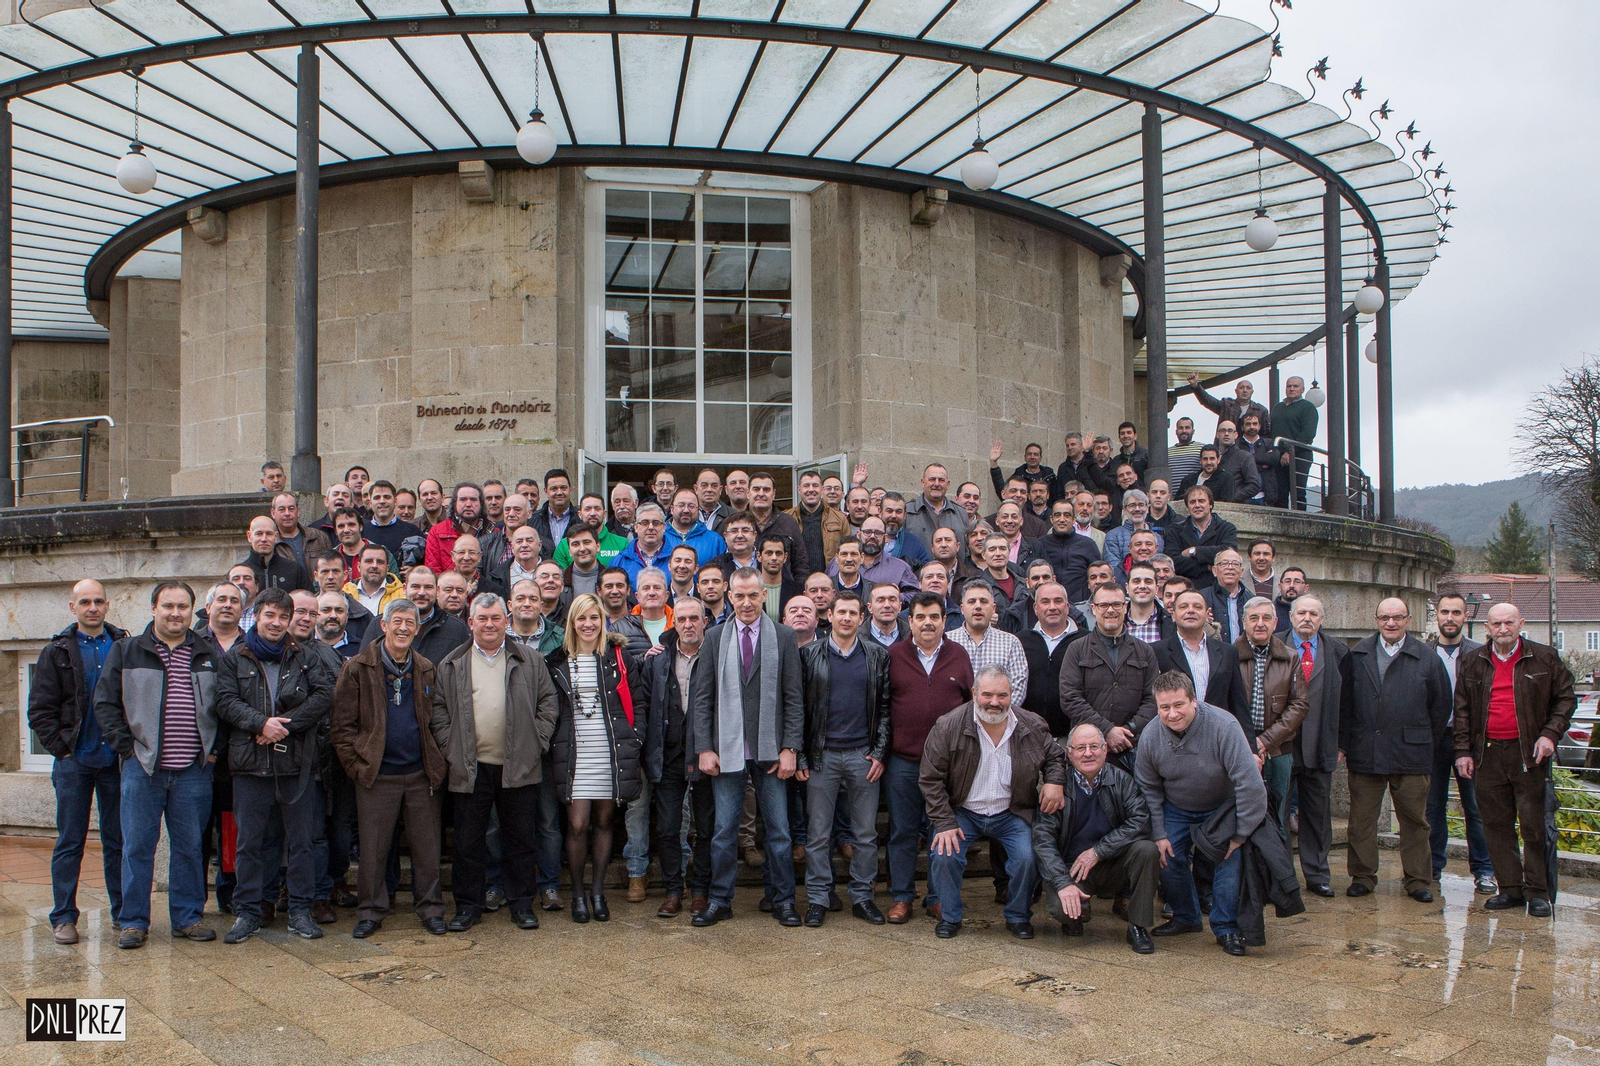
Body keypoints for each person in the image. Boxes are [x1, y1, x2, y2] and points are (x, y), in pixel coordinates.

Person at [93, 581, 221, 950]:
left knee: (189, 847)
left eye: (183, 606)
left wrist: (212, 752)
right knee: (137, 847)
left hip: (193, 771)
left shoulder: (207, 652)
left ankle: (187, 917)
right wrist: (128, 749)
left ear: (193, 611)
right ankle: (133, 922)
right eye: (168, 606)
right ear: (154, 608)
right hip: (143, 769)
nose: (176, 613)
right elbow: (105, 704)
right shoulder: (127, 650)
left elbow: (224, 705)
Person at [432, 593, 560, 932]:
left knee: (521, 840)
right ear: (470, 622)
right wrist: (451, 748)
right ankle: (468, 906)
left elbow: (548, 704)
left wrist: (536, 742)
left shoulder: (530, 660)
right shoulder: (452, 663)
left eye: (495, 618)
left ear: (507, 621)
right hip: (470, 767)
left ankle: (521, 905)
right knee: (468, 842)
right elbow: (440, 711)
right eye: (482, 619)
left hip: (519, 764)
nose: (489, 624)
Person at [216, 588, 335, 944]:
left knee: (301, 844)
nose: (277, 623)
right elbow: (225, 701)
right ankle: (249, 912)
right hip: (250, 765)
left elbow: (323, 697)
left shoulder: (303, 656)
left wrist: (283, 724)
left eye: (283, 617)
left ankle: (299, 911)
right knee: (249, 843)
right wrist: (259, 723)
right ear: (257, 616)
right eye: (271, 615)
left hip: (295, 763)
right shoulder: (235, 658)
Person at [688, 568, 805, 927]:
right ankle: (721, 899)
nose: (746, 602)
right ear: (729, 595)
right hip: (727, 752)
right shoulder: (714, 637)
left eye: (753, 595)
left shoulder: (783, 637)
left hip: (771, 753)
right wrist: (704, 747)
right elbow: (702, 698)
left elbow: (794, 698)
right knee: (724, 832)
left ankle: (782, 898)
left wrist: (791, 747)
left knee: (779, 831)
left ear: (764, 595)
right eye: (739, 596)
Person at [330, 598, 449, 937]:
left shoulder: (426, 667)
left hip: (420, 774)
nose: (402, 628)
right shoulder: (358, 667)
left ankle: (430, 908)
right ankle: (370, 911)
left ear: (417, 628)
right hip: (376, 776)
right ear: (383, 625)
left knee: (428, 850)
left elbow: (437, 719)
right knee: (373, 850)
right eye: (396, 621)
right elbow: (341, 728)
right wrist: (357, 766)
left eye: (409, 623)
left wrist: (437, 761)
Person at [919, 665, 1067, 939]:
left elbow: (1055, 757)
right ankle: (950, 917)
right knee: (944, 854)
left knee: (1028, 857)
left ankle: (1018, 916)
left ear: (1012, 694)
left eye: (1002, 695)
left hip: (1012, 812)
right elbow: (930, 778)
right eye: (987, 694)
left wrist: (1054, 781)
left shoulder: (1032, 724)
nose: (995, 702)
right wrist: (944, 822)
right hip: (964, 811)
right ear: (974, 693)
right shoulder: (948, 725)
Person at [1454, 602, 1575, 918]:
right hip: (1487, 754)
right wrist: (1463, 752)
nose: (1503, 629)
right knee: (1495, 824)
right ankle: (1509, 889)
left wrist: (1550, 734)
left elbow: (1565, 698)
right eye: (1497, 624)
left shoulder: (1545, 657)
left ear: (1521, 623)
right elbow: (1462, 711)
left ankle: (1537, 891)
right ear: (1487, 628)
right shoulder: (1472, 662)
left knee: (1533, 824)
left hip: (1529, 754)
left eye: (1509, 622)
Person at [1137, 671, 1267, 956]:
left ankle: (1227, 927)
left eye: (1179, 705)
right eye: (1164, 707)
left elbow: (1250, 785)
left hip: (1222, 807)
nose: (1172, 714)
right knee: (1167, 858)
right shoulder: (1149, 736)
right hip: (1176, 807)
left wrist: (1240, 833)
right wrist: (1158, 833)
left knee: (1230, 863)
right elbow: (1148, 789)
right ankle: (1186, 917)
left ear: (1194, 700)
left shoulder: (1224, 726)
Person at [30, 579, 128, 945]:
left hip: (115, 761)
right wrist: (62, 750)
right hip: (75, 761)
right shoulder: (56, 652)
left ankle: (124, 914)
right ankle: (64, 918)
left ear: (107, 605)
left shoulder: (123, 645)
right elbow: (40, 710)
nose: (92, 607)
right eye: (84, 601)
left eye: (98, 601)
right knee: (71, 841)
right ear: (73, 607)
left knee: (118, 841)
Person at [1341, 598, 1452, 903]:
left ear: (1408, 619)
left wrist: (1423, 739)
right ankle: (1362, 876)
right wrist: (1347, 744)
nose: (1391, 623)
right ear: (1376, 619)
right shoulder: (1358, 655)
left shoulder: (1427, 659)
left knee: (1415, 822)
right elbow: (1345, 704)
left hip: (1411, 754)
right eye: (1385, 617)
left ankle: (1417, 879)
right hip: (1366, 751)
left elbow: (1440, 706)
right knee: (1361, 821)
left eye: (1397, 617)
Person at [545, 593, 646, 923]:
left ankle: (598, 893)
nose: (588, 624)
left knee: (604, 821)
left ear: (603, 621)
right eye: (582, 618)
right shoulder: (556, 661)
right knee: (578, 824)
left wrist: (636, 738)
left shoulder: (618, 657)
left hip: (611, 749)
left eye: (594, 618)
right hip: (575, 751)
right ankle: (577, 894)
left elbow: (639, 703)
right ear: (572, 623)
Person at [796, 591, 892, 926]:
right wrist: (802, 755)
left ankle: (863, 897)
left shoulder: (877, 655)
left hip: (862, 756)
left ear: (861, 617)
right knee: (819, 833)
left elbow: (884, 710)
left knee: (865, 834)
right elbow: (800, 710)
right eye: (841, 612)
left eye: (853, 613)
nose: (847, 618)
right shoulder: (809, 655)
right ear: (830, 616)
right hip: (822, 756)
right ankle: (819, 898)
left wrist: (879, 752)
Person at [884, 592, 974, 924]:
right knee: (903, 831)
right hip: (903, 761)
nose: (927, 623)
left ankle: (938, 897)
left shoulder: (959, 655)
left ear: (943, 620)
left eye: (934, 617)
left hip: (946, 765)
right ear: (910, 621)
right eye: (921, 617)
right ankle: (902, 897)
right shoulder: (894, 656)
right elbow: (882, 708)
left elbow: (970, 708)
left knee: (944, 831)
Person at [1033, 722, 1160, 951]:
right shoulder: (1056, 787)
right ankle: (1076, 914)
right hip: (1071, 868)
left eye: (1094, 746)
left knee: (1147, 849)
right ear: (1069, 753)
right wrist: (1063, 883)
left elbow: (1141, 820)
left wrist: (1098, 851)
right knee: (1064, 911)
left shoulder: (1122, 780)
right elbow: (1043, 841)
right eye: (1080, 748)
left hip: (1111, 863)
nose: (1088, 753)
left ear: (1105, 749)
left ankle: (1138, 927)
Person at [639, 596, 717, 917]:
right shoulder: (657, 661)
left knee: (707, 828)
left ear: (705, 622)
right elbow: (644, 706)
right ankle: (673, 890)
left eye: (693, 619)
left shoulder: (715, 657)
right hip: (667, 755)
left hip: (704, 754)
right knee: (668, 828)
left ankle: (700, 890)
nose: (687, 625)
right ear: (674, 623)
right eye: (681, 619)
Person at [1427, 593, 1497, 894]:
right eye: (1445, 611)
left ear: (1465, 617)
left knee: (1476, 807)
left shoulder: (1480, 654)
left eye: (1457, 612)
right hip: (1432, 739)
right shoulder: (1423, 652)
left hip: (1470, 739)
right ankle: (1431, 867)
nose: (1450, 617)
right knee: (1432, 807)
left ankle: (1484, 870)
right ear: (1437, 615)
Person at [1283, 595, 1347, 896]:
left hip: (1322, 745)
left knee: (1318, 815)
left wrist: (1342, 744)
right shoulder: (1274, 646)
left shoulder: (1339, 652)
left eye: (1313, 613)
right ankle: (1281, 876)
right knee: (1278, 813)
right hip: (1281, 746)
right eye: (1301, 613)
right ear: (1291, 616)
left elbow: (1351, 705)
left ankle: (1318, 874)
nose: (1307, 618)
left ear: (1322, 619)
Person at [1059, 583, 1159, 771]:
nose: (1110, 610)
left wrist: (1128, 730)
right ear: (1094, 609)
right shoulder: (1077, 649)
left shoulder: (1144, 651)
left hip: (1133, 748)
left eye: (1116, 604)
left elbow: (1153, 700)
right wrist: (1106, 730)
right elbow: (1070, 698)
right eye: (1104, 605)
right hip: (1088, 751)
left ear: (1125, 607)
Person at [1235, 596, 1309, 831]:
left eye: (1266, 618)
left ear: (1276, 623)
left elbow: (1299, 704)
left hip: (1278, 747)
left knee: (1278, 813)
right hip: (1238, 745)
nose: (1260, 623)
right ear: (1243, 621)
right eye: (1254, 618)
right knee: (1238, 811)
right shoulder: (1228, 654)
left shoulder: (1290, 656)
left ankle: (1276, 866)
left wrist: (1265, 741)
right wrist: (1248, 742)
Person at [1155, 587, 1250, 735]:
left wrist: (1251, 750)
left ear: (1207, 614)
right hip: (1173, 737)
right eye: (1183, 607)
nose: (1191, 610)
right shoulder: (1157, 652)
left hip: (1219, 736)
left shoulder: (1228, 652)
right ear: (1173, 614)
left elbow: (1239, 703)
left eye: (1197, 607)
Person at [1018, 581, 1086, 737]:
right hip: (1029, 734)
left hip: (1072, 736)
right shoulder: (1020, 641)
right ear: (1035, 608)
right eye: (1045, 601)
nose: (1052, 607)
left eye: (1058, 601)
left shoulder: (1086, 641)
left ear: (1067, 607)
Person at [948, 581, 1028, 709]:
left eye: (984, 601)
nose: (978, 606)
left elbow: (1017, 689)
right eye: (972, 601)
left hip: (997, 717)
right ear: (962, 609)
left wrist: (992, 712)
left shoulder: (1010, 643)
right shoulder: (947, 641)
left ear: (993, 608)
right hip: (956, 721)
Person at [1168, 486, 1239, 591]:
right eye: (1192, 502)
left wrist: (1195, 551)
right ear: (1187, 506)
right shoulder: (1175, 530)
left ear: (1210, 504)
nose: (1197, 505)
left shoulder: (1226, 528)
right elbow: (1173, 562)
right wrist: (1206, 567)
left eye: (1201, 501)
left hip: (1217, 591)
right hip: (1186, 591)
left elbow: (1228, 553)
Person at [1035, 498, 1102, 604]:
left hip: (1081, 604)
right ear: (1051, 519)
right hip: (1049, 603)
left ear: (1074, 519)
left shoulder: (1088, 545)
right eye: (1057, 515)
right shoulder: (1039, 544)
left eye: (1067, 515)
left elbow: (1098, 574)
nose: (1062, 519)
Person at [839, 517, 919, 604]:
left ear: (885, 537)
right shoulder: (837, 564)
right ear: (858, 534)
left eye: (878, 533)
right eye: (867, 532)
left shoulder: (900, 568)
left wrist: (894, 596)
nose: (872, 536)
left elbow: (916, 597)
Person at [747, 472, 810, 578]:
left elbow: (801, 565)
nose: (761, 494)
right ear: (748, 493)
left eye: (766, 490)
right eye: (756, 489)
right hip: (746, 591)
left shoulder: (789, 523)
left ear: (774, 494)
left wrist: (798, 591)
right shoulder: (736, 524)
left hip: (784, 591)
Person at [1271, 376, 1318, 510]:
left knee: (1298, 492)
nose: (1292, 388)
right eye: (1289, 386)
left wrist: (1290, 451)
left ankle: (1299, 523)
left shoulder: (1307, 408)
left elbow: (1308, 434)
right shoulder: (1277, 408)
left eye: (1296, 386)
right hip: (1278, 457)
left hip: (1300, 455)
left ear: (1302, 389)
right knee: (1279, 494)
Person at [786, 470, 849, 570]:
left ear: (822, 489)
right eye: (806, 486)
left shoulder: (840, 519)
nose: (811, 490)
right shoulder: (786, 518)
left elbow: (848, 550)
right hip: (796, 580)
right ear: (799, 489)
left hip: (828, 579)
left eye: (815, 485)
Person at [903, 463, 969, 551]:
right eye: (932, 479)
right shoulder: (907, 511)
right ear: (923, 483)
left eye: (941, 480)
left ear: (948, 484)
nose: (937, 484)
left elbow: (967, 551)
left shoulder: (961, 513)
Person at [1188, 373, 1271, 442]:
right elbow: (1208, 401)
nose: (1244, 390)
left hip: (1250, 452)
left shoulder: (1261, 410)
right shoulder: (1226, 405)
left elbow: (1266, 435)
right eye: (1241, 388)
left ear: (1252, 392)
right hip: (1226, 449)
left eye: (1248, 388)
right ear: (1236, 391)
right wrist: (1196, 386)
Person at [554, 494, 629, 568]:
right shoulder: (565, 545)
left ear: (604, 514)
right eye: (587, 509)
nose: (593, 513)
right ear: (580, 514)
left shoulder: (622, 544)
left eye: (597, 509)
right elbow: (560, 576)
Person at [242, 514, 312, 593]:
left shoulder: (294, 570)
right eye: (259, 534)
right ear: (249, 536)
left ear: (276, 537)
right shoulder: (240, 574)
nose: (264, 539)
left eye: (269, 534)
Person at [270, 492, 333, 569]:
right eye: (281, 509)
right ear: (273, 513)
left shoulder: (319, 537)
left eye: (291, 509)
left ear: (298, 511)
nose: (287, 513)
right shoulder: (270, 542)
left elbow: (333, 565)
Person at [665, 487, 727, 564]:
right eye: (681, 505)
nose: (686, 510)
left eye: (691, 506)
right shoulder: (660, 537)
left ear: (698, 510)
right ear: (672, 509)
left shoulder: (715, 540)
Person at [616, 502, 672, 587]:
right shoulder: (620, 562)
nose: (650, 527)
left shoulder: (676, 560)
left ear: (664, 527)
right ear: (636, 527)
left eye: (656, 523)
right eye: (645, 523)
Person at [363, 480, 423, 560]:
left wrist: (413, 569)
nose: (382, 501)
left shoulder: (412, 531)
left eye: (387, 497)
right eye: (377, 498)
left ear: (395, 501)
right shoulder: (361, 532)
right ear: (370, 502)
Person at [1201, 548, 1250, 644]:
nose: (1230, 567)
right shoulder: (1201, 598)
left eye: (1235, 564)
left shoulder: (1251, 600)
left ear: (1242, 571)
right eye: (1224, 563)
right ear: (1215, 571)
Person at [344, 543, 404, 621]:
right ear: (359, 567)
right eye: (369, 561)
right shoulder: (345, 594)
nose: (374, 566)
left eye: (380, 562)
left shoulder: (402, 595)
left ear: (387, 568)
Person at [1239, 413, 1286, 508]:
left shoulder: (1268, 442)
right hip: (1244, 498)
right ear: (1242, 427)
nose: (1252, 427)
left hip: (1266, 497)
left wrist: (1248, 458)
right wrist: (1262, 464)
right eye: (1248, 424)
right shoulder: (1237, 445)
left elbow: (1274, 458)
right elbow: (1238, 465)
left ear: (1259, 426)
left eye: (1255, 423)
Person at [755, 534, 805, 623]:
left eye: (778, 553)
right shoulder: (751, 589)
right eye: (769, 553)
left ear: (785, 557)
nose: (774, 558)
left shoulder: (798, 590)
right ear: (759, 556)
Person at [529, 469, 575, 560]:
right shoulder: (531, 521)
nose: (559, 492)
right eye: (554, 488)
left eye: (563, 488)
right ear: (546, 491)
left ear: (570, 489)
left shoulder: (581, 520)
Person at [989, 439, 1058, 501]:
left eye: (1036, 454)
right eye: (1029, 454)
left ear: (1041, 458)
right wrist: (994, 462)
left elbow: (1057, 497)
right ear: (1024, 457)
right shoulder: (1018, 475)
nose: (1032, 457)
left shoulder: (1049, 476)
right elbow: (1003, 491)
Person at [879, 491, 933, 567]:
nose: (894, 516)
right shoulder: (866, 538)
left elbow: (926, 570)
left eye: (898, 512)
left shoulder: (915, 544)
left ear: (905, 515)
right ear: (880, 512)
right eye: (889, 511)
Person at [1214, 420, 1262, 502]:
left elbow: (1254, 485)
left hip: (1235, 506)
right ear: (1217, 434)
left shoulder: (1244, 456)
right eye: (1223, 430)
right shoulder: (1211, 457)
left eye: (1230, 431)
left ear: (1236, 435)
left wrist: (1232, 498)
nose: (1226, 433)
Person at [864, 582, 910, 647]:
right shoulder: (856, 639)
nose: (887, 605)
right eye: (880, 600)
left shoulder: (914, 638)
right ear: (870, 607)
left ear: (900, 606)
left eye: (892, 600)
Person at [1166, 416, 1204, 489]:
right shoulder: (1167, 452)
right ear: (1176, 431)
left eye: (1187, 428)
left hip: (1194, 497)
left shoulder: (1201, 449)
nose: (1184, 431)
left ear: (1193, 431)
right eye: (1181, 428)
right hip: (1173, 498)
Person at [698, 562, 733, 626]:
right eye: (705, 582)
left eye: (716, 581)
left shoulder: (737, 617)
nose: (710, 586)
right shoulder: (690, 619)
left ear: (725, 586)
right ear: (698, 588)